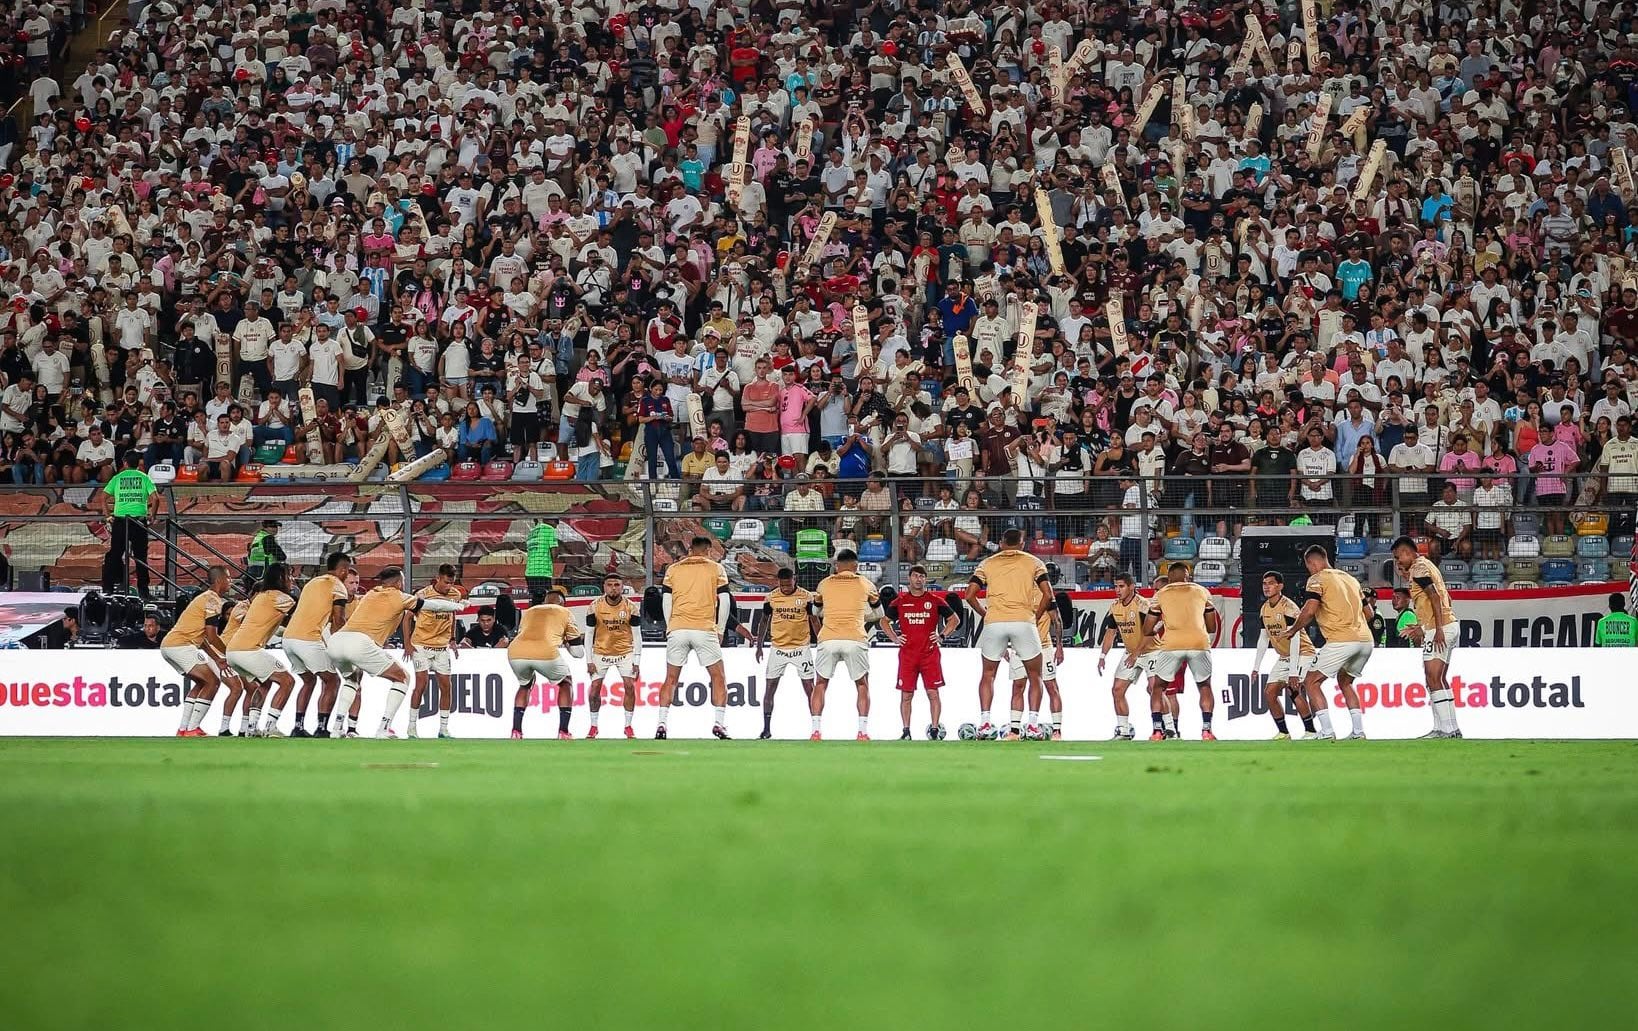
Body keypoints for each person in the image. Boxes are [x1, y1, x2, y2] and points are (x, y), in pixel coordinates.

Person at [330, 568, 466, 739]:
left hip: (336, 641)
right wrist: (459, 605)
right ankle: (384, 728)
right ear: (398, 582)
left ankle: (336, 729)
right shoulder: (399, 597)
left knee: (352, 679)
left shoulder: (371, 593)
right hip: (360, 643)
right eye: (402, 581)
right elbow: (434, 605)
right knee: (403, 678)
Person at [964, 528, 1054, 740]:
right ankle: (1032, 726)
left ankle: (985, 723)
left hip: (995, 622)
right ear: (1022, 544)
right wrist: (1035, 616)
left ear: (1001, 543)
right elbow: (1048, 594)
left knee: (988, 675)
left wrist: (985, 614)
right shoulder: (1034, 562)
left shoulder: (987, 563)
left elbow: (969, 595)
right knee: (1035, 676)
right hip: (1023, 621)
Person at [1286, 545, 1374, 741]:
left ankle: (1326, 731)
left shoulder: (1317, 579)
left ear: (1312, 563)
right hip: (1366, 640)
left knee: (1311, 682)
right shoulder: (1351, 579)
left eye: (1308, 566)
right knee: (1345, 682)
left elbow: (1309, 610)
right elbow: (1369, 614)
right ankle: (1358, 732)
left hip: (1341, 640)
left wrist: (1293, 629)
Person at [657, 536, 733, 740]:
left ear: (690, 549)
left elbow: (666, 601)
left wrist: (669, 626)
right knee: (718, 677)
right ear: (708, 550)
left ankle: (661, 724)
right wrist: (720, 629)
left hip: (678, 628)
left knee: (670, 678)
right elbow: (725, 601)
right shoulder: (716, 568)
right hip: (704, 629)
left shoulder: (673, 569)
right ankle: (719, 724)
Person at [272, 552, 351, 738]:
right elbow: (338, 620)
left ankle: (298, 727)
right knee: (333, 681)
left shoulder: (312, 583)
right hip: (307, 639)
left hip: (289, 639)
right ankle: (322, 728)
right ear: (343, 570)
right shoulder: (338, 586)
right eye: (347, 570)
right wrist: (346, 644)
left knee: (309, 680)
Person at [1393, 536, 1463, 738]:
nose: (1398, 562)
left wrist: (1437, 629)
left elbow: (1434, 596)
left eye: (1398, 557)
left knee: (1432, 678)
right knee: (1439, 678)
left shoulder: (1419, 568)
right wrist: (1422, 625)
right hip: (1445, 625)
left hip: (1440, 628)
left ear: (1407, 552)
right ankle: (1450, 728)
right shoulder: (1428, 565)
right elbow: (1444, 597)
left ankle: (1445, 729)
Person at [879, 564, 958, 740]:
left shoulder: (935, 600)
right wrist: (894, 638)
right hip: (908, 655)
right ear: (909, 578)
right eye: (915, 576)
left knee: (933, 692)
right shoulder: (900, 601)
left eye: (922, 576)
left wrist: (942, 636)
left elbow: (954, 619)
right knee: (906, 694)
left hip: (929, 654)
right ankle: (906, 731)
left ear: (925, 579)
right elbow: (884, 621)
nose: (918, 579)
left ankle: (935, 729)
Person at [809, 549, 882, 740]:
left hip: (828, 638)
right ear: (856, 566)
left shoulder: (824, 583)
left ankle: (815, 731)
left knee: (821, 683)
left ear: (837, 566)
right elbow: (879, 613)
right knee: (862, 684)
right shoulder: (866, 584)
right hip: (854, 638)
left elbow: (815, 611)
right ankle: (862, 731)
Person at [1144, 564, 1220, 740]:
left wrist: (1158, 627)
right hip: (1199, 643)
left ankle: (1157, 731)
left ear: (1169, 578)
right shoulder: (1202, 591)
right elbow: (1212, 627)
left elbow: (1147, 629)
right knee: (1205, 686)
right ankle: (1207, 730)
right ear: (1188, 576)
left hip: (1172, 645)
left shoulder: (1161, 594)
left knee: (1158, 688)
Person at [223, 563, 297, 738]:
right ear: (281, 578)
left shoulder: (263, 596)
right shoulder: (280, 597)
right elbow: (301, 613)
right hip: (248, 650)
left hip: (233, 651)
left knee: (265, 684)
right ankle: (271, 727)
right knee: (287, 681)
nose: (292, 580)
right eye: (289, 575)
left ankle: (251, 728)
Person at [1248, 572, 1318, 740]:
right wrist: (1256, 668)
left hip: (1303, 653)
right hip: (1285, 656)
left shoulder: (1289, 607)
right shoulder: (1264, 609)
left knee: (1293, 689)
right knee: (1269, 692)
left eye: (1271, 583)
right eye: (1264, 583)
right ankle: (1284, 733)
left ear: (1280, 586)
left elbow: (1294, 639)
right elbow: (1263, 639)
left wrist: (1293, 672)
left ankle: (1311, 731)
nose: (1266, 587)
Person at [507, 588, 584, 740]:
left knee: (525, 685)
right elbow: (578, 653)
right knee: (566, 682)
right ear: (563, 604)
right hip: (545, 651)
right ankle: (563, 731)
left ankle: (516, 731)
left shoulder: (530, 611)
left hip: (515, 652)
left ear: (545, 601)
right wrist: (566, 642)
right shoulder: (566, 613)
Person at [752, 567, 817, 740]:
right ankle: (766, 729)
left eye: (788, 585)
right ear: (778, 583)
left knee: (809, 687)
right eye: (783, 585)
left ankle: (816, 728)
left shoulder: (806, 597)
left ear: (794, 580)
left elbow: (814, 620)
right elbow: (764, 621)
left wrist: (821, 642)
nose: (786, 588)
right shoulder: (771, 597)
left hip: (801, 648)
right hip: (778, 648)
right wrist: (759, 646)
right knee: (770, 687)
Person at [165, 565, 229, 737]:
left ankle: (183, 729)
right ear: (219, 580)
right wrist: (229, 653)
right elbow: (212, 636)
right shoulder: (213, 600)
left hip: (171, 645)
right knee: (212, 682)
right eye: (228, 578)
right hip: (181, 645)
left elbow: (202, 639)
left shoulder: (204, 598)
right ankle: (193, 728)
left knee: (202, 683)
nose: (230, 582)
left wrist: (217, 658)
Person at [406, 564, 465, 740]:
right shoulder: (423, 595)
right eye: (446, 582)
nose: (449, 586)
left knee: (447, 687)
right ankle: (411, 727)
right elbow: (407, 617)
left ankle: (443, 729)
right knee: (421, 684)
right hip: (421, 645)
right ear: (437, 579)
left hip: (442, 647)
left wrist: (452, 639)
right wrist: (407, 643)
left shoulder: (455, 595)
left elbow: (453, 615)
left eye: (451, 583)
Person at [1098, 572, 1159, 741]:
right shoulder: (1115, 607)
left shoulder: (1142, 605)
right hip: (1131, 652)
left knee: (1155, 689)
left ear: (1131, 587)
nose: (1117, 590)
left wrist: (1136, 654)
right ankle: (1123, 730)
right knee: (1117, 689)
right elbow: (1110, 633)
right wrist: (1102, 656)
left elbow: (1150, 633)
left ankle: (1167, 729)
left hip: (1151, 651)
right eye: (1115, 586)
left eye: (1121, 586)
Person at [585, 573, 642, 739]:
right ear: (604, 587)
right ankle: (593, 726)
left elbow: (637, 635)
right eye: (609, 585)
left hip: (625, 652)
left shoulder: (631, 607)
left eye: (617, 585)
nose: (613, 588)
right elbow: (589, 635)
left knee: (629, 686)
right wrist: (589, 660)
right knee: (595, 688)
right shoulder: (594, 607)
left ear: (622, 586)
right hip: (601, 652)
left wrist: (637, 660)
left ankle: (628, 726)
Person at [1006, 590, 1070, 740]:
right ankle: (1015, 730)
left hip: (1043, 646)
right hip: (1019, 646)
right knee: (1018, 686)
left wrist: (1059, 646)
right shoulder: (1015, 594)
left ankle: (1055, 730)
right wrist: (1004, 644)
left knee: (1051, 686)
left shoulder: (1045, 595)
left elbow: (1057, 620)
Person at [100, 450, 157, 597]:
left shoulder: (117, 478)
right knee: (141, 557)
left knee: (115, 555)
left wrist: (107, 516)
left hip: (120, 521)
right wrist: (152, 515)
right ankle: (144, 591)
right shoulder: (144, 477)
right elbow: (155, 498)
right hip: (139, 521)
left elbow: (103, 497)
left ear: (125, 463)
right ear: (138, 463)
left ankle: (108, 588)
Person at [245, 520, 286, 586]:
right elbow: (281, 556)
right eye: (272, 526)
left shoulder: (258, 537)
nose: (275, 529)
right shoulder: (268, 538)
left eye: (276, 526)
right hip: (266, 573)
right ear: (265, 527)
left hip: (253, 572)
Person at [524, 521, 558, 597]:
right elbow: (554, 554)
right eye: (556, 522)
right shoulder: (550, 529)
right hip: (542, 571)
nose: (556, 526)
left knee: (534, 598)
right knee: (546, 598)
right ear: (551, 520)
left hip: (529, 572)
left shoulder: (531, 532)